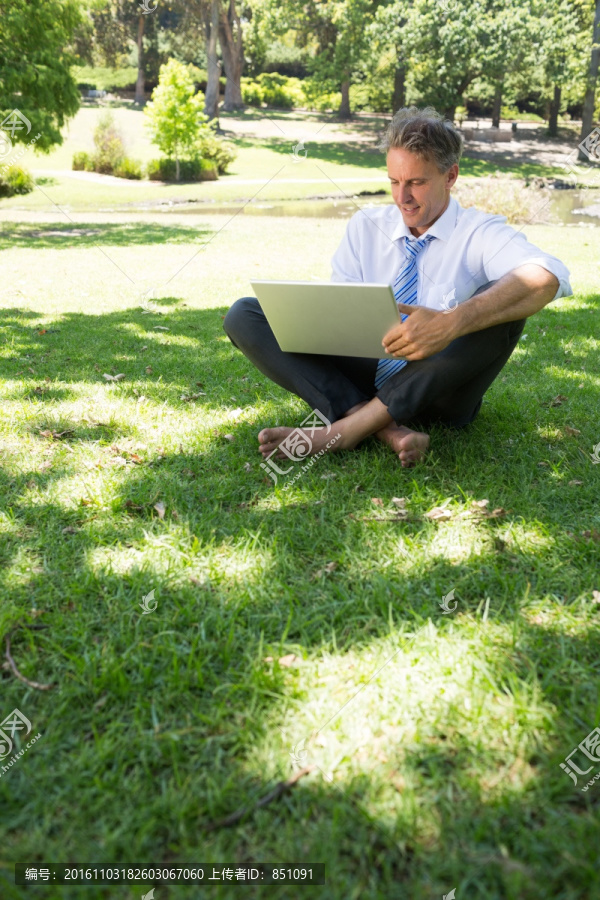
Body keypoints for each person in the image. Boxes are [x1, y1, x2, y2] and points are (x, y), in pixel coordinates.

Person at [223, 106, 571, 468]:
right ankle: (380, 427)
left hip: (439, 394)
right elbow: (339, 317)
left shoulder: (478, 233)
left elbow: (547, 275)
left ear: (450, 176)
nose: (402, 197)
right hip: (364, 377)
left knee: (504, 313)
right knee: (244, 314)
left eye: (416, 182)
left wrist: (450, 322)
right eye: (394, 181)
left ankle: (339, 432)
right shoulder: (365, 226)